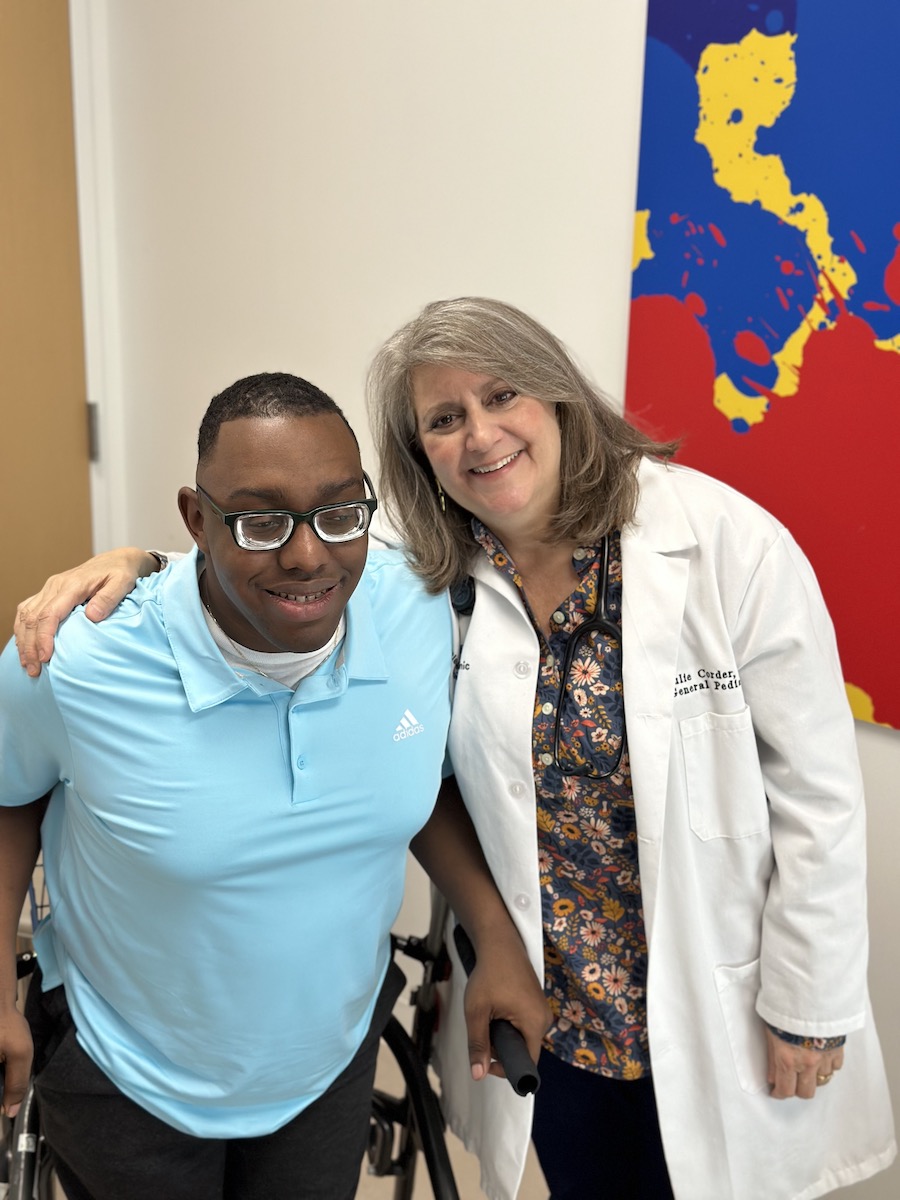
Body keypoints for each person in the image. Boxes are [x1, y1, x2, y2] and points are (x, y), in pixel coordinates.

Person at [12, 300, 897, 1200]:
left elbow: (819, 797)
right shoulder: (439, 571)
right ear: (420, 453)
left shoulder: (725, 546)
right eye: (443, 418)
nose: (480, 434)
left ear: (558, 398)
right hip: (560, 1014)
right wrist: (144, 564)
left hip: (721, 1004)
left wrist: (809, 1004)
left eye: (503, 394)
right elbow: (276, 550)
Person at [0, 371, 549, 1200]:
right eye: (260, 521)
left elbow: (417, 783)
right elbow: (8, 794)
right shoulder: (76, 662)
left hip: (325, 1061)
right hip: (127, 1075)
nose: (307, 554)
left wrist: (496, 939)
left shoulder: (416, 610)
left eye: (339, 512)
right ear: (195, 518)